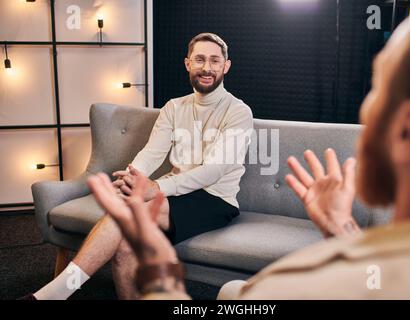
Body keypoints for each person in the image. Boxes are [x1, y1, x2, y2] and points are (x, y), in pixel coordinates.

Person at [87, 0, 410, 299]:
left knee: (230, 292)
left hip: (210, 201)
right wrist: (345, 232)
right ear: (188, 63)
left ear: (409, 130)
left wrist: (166, 278)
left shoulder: (280, 289)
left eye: (377, 91)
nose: (364, 113)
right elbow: (381, 279)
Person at [26, 33, 253, 300]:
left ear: (226, 66)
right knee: (124, 248)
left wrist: (156, 187)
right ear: (187, 64)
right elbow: (152, 152)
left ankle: (54, 293)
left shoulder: (238, 112)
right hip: (174, 194)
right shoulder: (173, 107)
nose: (207, 67)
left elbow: (215, 169)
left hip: (214, 199)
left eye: (215, 61)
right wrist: (133, 175)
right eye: (200, 59)